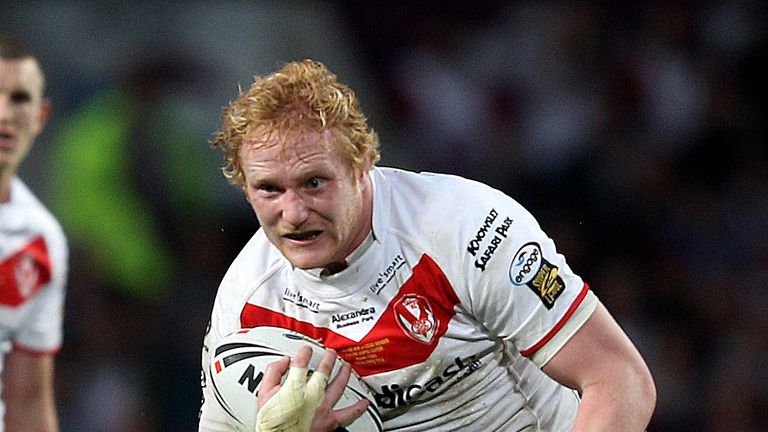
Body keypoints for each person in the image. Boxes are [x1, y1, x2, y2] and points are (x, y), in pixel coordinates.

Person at [198, 59, 656, 431]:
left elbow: (620, 380)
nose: (293, 213)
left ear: (363, 166)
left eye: (314, 182)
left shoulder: (463, 227)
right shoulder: (246, 303)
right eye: (269, 190)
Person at [0, 34, 67, 432]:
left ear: (41, 116)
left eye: (19, 98)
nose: (4, 114)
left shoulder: (40, 239)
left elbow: (28, 399)